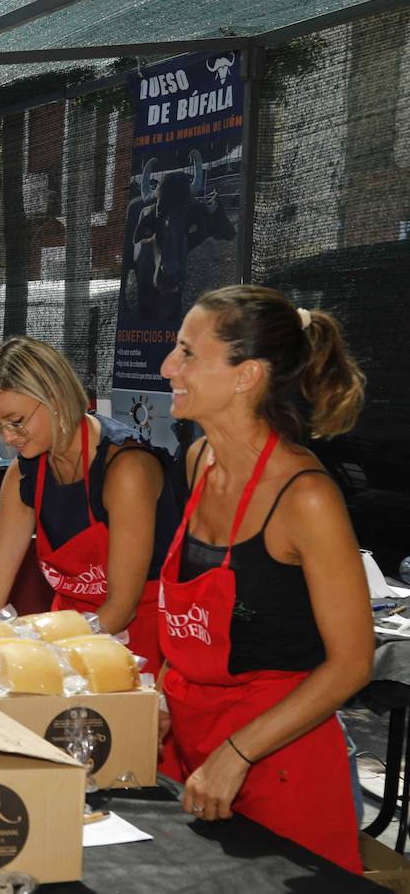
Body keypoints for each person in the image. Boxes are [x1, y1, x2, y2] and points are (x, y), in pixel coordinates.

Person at [155, 285, 371, 873]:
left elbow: (352, 662)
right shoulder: (199, 461)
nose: (168, 367)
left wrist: (237, 752)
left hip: (276, 762)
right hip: (188, 743)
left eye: (186, 353)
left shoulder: (306, 499)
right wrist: (159, 690)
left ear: (247, 374)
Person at [0, 336, 177, 673]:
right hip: (65, 635)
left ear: (55, 399)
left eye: (16, 421)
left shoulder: (126, 470)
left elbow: (121, 607)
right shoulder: (24, 474)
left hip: (135, 649)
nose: (8, 437)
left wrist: (41, 659)